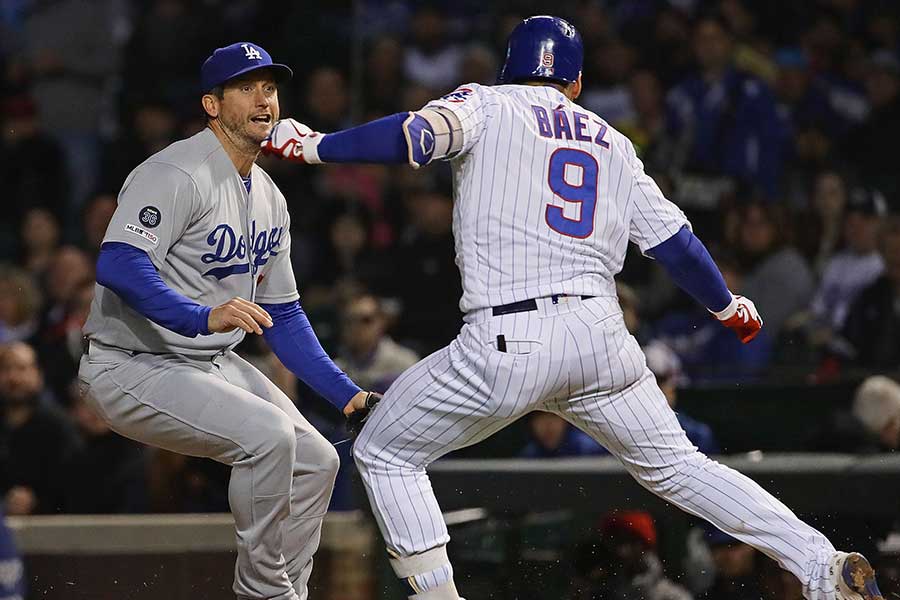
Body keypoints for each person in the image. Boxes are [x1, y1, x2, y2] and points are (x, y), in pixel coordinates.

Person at [262, 16, 884, 600]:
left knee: (384, 450)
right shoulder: (614, 143)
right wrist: (726, 306)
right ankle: (821, 565)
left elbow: (415, 135)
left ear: (511, 70)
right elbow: (677, 244)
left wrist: (315, 146)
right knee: (681, 468)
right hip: (600, 338)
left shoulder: (486, 102)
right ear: (577, 82)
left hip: (511, 337)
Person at [78, 42, 378, 600]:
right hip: (130, 365)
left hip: (206, 363)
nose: (264, 99)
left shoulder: (268, 195)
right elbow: (119, 262)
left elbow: (283, 315)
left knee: (315, 460)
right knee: (268, 439)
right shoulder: (174, 171)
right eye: (246, 88)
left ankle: (289, 591)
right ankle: (263, 594)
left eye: (269, 88)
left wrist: (348, 396)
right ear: (212, 105)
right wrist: (200, 315)